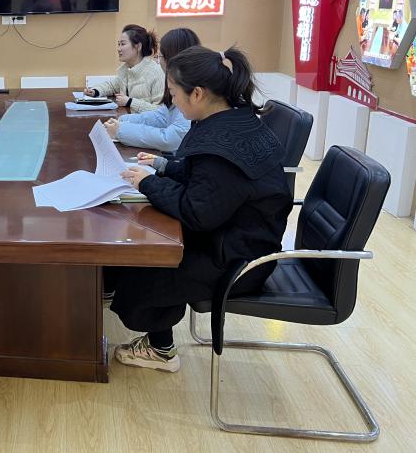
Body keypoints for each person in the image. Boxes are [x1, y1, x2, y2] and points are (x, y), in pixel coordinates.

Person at [113, 46, 292, 372]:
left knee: (147, 264)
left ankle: (161, 350)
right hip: (239, 236)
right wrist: (162, 166)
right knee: (143, 247)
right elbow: (204, 180)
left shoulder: (221, 146)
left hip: (239, 261)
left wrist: (148, 183)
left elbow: (198, 211)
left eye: (173, 93)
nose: (172, 101)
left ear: (197, 94)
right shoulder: (232, 120)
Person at [103, 28, 201, 152]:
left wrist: (121, 130)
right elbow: (161, 116)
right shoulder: (182, 84)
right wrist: (122, 121)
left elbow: (171, 139)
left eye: (159, 57)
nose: (158, 61)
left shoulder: (189, 91)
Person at [83, 24, 165, 113]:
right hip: (128, 119)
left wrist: (130, 102)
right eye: (118, 44)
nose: (118, 49)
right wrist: (95, 91)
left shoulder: (155, 72)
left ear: (138, 46)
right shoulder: (125, 69)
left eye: (123, 44)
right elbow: (111, 85)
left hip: (144, 122)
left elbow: (161, 111)